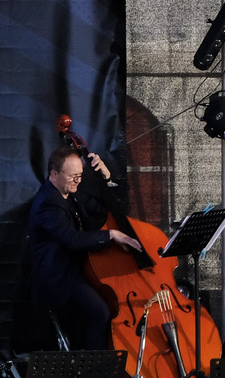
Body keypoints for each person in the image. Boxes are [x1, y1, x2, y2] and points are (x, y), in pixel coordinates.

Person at [26, 145, 142, 351]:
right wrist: (112, 235)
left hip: (78, 270)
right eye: (73, 176)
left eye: (80, 175)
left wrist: (106, 178)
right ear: (54, 175)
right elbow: (71, 239)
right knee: (100, 312)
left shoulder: (69, 193)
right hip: (59, 277)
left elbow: (101, 210)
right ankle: (96, 365)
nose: (78, 181)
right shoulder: (48, 203)